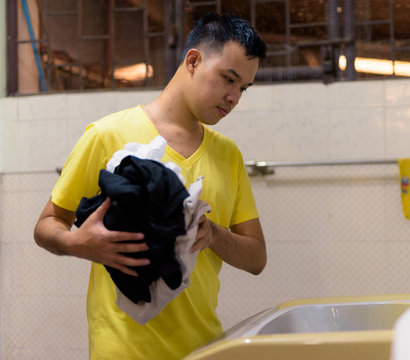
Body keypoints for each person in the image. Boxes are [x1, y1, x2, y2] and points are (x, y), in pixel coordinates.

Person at [33, 13, 267, 359]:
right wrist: (77, 242)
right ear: (192, 61)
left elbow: (257, 257)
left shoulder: (228, 155)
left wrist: (213, 235)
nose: (234, 97)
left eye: (242, 88)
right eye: (228, 79)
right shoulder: (106, 135)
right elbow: (46, 225)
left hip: (204, 349)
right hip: (123, 350)